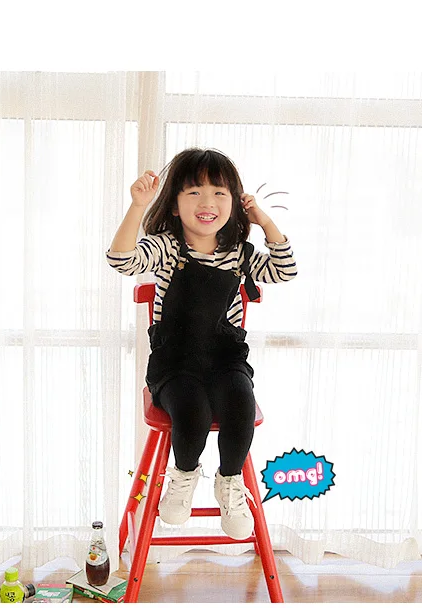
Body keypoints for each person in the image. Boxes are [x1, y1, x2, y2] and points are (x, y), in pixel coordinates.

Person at [106, 148, 297, 540]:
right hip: (175, 363)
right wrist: (138, 206)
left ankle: (230, 481)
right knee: (192, 412)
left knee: (240, 404)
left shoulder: (239, 253)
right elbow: (121, 260)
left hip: (225, 359)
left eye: (219, 193)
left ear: (235, 204)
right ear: (175, 205)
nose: (207, 202)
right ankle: (184, 473)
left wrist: (264, 221)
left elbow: (284, 270)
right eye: (194, 192)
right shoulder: (167, 247)